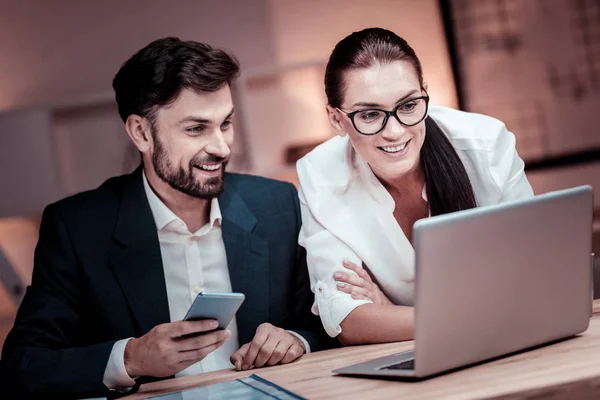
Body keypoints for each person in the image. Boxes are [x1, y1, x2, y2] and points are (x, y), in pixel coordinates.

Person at [1, 37, 331, 399]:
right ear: (141, 133)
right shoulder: (77, 228)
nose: (221, 147)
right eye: (196, 129)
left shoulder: (278, 204)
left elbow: (324, 321)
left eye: (226, 123)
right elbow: (23, 366)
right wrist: (131, 360)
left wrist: (296, 339)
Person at [297, 28, 534, 345]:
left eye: (408, 106)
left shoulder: (487, 145)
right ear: (337, 119)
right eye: (370, 114)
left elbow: (531, 279)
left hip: (510, 343)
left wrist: (392, 312)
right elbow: (348, 320)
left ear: (425, 93)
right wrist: (482, 314)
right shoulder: (319, 175)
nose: (395, 131)